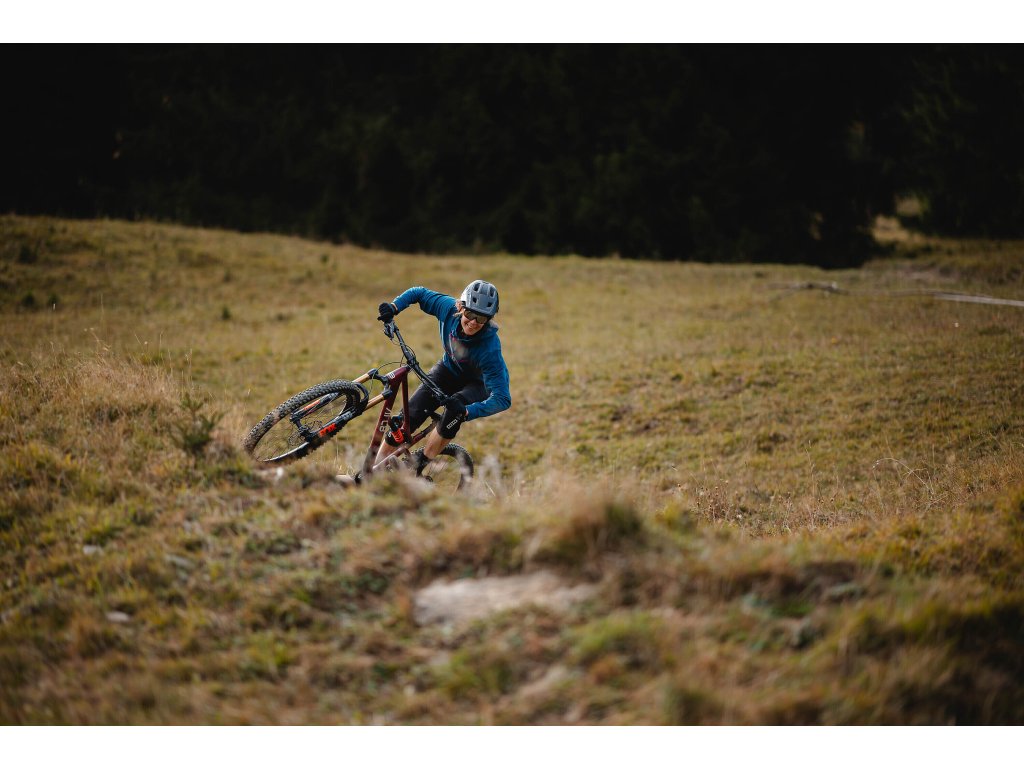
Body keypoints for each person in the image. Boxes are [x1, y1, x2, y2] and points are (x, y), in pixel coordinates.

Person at [336, 279, 511, 485]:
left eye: (481, 318)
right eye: (470, 314)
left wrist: (467, 412)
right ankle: (370, 475)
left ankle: (419, 463)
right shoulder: (447, 309)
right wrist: (394, 307)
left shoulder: (490, 349)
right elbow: (418, 293)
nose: (474, 322)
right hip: (448, 371)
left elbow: (502, 399)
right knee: (407, 418)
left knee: (453, 412)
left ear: (489, 319)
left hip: (476, 385)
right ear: (460, 307)